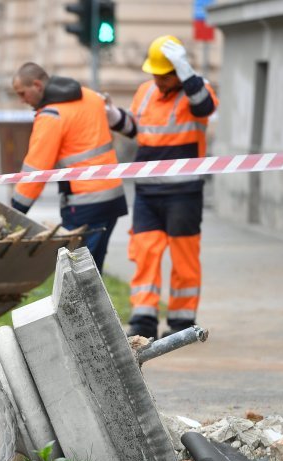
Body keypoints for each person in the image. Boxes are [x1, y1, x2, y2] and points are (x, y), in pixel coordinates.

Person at [105, 35, 218, 339]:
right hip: (147, 193)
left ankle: (182, 322)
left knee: (184, 258)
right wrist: (113, 115)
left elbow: (205, 108)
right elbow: (136, 129)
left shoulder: (197, 90)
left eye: (163, 74)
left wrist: (186, 71)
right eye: (154, 72)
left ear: (177, 73)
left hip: (184, 193)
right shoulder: (145, 91)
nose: (156, 79)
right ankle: (143, 320)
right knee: (145, 255)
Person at [10, 62, 127, 272]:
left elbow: (35, 172)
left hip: (83, 205)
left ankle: (84, 306)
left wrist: (13, 213)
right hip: (112, 199)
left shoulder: (51, 116)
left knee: (78, 275)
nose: (21, 100)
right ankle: (96, 306)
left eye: (22, 93)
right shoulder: (91, 96)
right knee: (93, 271)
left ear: (37, 85)